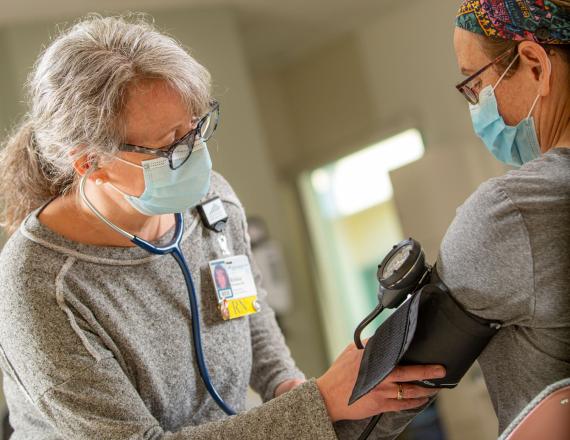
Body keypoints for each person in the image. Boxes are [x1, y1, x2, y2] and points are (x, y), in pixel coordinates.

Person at [0, 15, 445, 439]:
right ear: (91, 164)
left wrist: (294, 390)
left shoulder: (212, 203)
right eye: (169, 147)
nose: (194, 155)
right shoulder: (37, 285)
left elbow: (247, 314)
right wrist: (319, 402)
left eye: (195, 130)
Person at [336, 1, 570, 438]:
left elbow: (374, 405)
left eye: (475, 82)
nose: (478, 103)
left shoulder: (511, 212)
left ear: (535, 65)